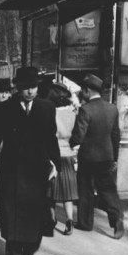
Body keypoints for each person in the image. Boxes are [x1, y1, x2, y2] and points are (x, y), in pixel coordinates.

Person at [0, 67, 61, 255]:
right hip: (11, 170)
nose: (30, 91)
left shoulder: (47, 108)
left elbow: (51, 139)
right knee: (11, 215)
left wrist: (55, 164)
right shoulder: (3, 109)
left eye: (33, 87)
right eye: (26, 87)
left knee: (34, 215)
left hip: (37, 170)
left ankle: (29, 251)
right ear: (18, 88)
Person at [69, 74, 124, 239]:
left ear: (87, 91)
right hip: (107, 157)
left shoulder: (85, 110)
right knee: (108, 191)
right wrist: (114, 157)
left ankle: (85, 223)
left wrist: (70, 144)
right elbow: (116, 136)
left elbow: (78, 136)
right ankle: (117, 221)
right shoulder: (112, 108)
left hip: (88, 158)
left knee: (85, 190)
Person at [47, 83, 78, 235]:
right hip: (69, 155)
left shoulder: (51, 114)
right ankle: (69, 220)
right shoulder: (73, 114)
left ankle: (52, 219)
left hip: (53, 156)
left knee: (51, 191)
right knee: (68, 192)